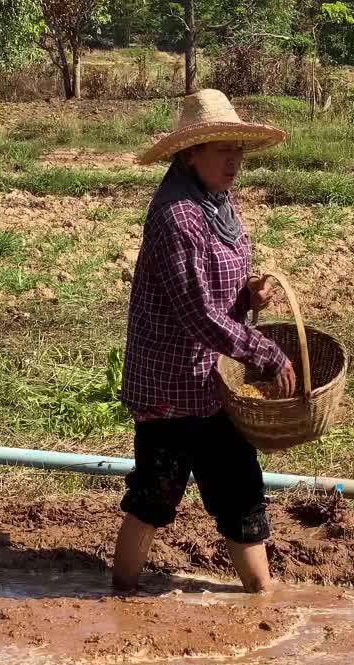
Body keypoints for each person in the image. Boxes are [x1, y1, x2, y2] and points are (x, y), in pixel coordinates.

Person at [113, 89, 296, 595]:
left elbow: (215, 292)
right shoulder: (178, 217)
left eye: (238, 149)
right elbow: (195, 312)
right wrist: (264, 350)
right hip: (172, 383)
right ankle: (122, 591)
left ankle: (262, 593)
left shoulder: (218, 204)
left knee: (239, 485)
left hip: (214, 379)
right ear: (190, 154)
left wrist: (248, 292)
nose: (234, 159)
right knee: (156, 492)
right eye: (222, 149)